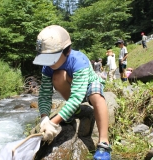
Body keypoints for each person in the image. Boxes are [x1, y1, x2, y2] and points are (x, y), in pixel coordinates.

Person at [32, 25, 112, 159]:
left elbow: (77, 97)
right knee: (57, 76)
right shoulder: (48, 68)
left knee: (97, 96)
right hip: (72, 89)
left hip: (88, 85)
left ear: (67, 51)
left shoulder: (78, 60)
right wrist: (44, 118)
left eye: (52, 58)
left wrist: (53, 123)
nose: (48, 63)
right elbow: (45, 94)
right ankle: (74, 111)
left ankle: (104, 143)